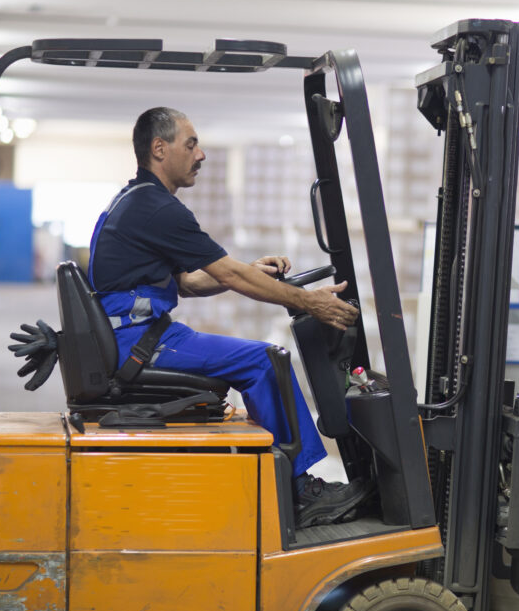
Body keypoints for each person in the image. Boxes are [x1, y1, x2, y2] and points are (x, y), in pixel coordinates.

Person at [89, 107, 371, 528]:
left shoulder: (138, 201)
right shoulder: (157, 209)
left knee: (260, 357)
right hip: (139, 344)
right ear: (159, 148)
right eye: (191, 144)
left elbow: (188, 282)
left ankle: (292, 480)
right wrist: (309, 302)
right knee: (265, 361)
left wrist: (248, 272)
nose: (201, 154)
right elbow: (227, 274)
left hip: (137, 335)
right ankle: (299, 491)